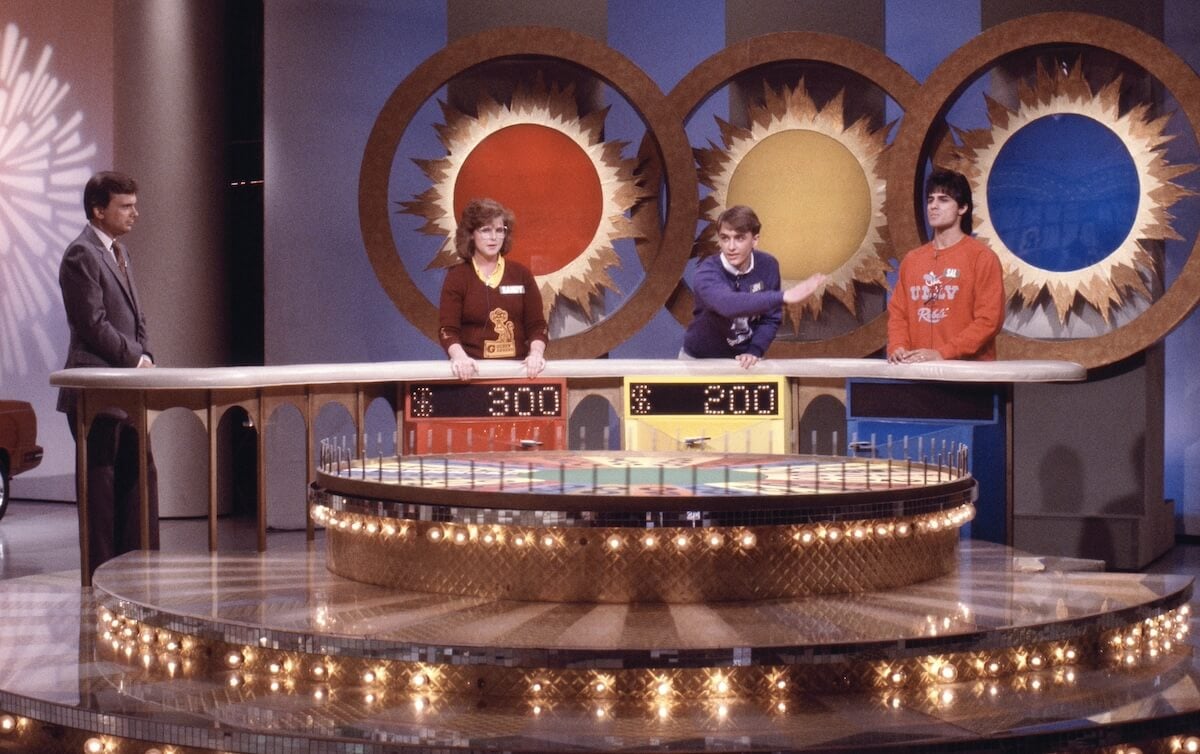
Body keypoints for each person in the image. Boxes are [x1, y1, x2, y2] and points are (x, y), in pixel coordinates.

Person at [57, 171, 159, 579]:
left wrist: (145, 354)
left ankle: (137, 575)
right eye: (125, 206)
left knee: (139, 484)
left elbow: (136, 317)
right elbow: (92, 323)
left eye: (135, 204)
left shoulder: (121, 252)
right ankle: (100, 582)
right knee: (100, 497)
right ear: (99, 210)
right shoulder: (80, 255)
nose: (135, 213)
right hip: (96, 391)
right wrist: (136, 359)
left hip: (128, 391)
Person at [682, 205, 826, 368]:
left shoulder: (768, 265)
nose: (731, 247)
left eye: (739, 238)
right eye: (725, 238)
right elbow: (727, 304)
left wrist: (755, 350)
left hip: (743, 360)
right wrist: (783, 297)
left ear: (755, 240)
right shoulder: (707, 271)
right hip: (699, 360)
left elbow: (770, 318)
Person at [887, 169, 1005, 363]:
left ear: (962, 207)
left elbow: (989, 321)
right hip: (917, 372)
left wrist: (943, 353)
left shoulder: (981, 258)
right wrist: (898, 346)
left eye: (943, 200)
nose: (933, 206)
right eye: (930, 200)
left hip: (967, 374)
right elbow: (899, 314)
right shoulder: (912, 260)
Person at [438, 198, 549, 380]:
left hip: (517, 371)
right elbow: (448, 330)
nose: (493, 237)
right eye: (486, 230)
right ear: (471, 234)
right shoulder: (457, 277)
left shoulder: (521, 274)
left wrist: (536, 354)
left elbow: (537, 326)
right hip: (472, 373)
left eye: (499, 230)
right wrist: (459, 357)